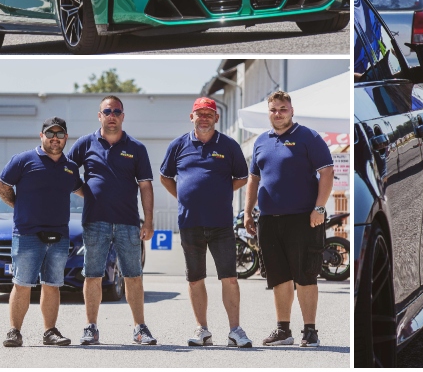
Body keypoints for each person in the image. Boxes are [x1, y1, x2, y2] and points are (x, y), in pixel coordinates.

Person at [244, 90, 335, 347]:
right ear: (269, 112)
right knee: (278, 277)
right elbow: (254, 178)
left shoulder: (309, 137)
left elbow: (326, 172)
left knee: (306, 275)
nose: (278, 114)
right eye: (273, 110)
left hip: (303, 219)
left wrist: (319, 208)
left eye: (283, 109)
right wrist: (248, 212)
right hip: (269, 220)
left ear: (292, 110)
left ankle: (310, 331)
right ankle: (283, 330)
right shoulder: (261, 141)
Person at [160, 98, 253, 347]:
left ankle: (235, 330)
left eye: (208, 114)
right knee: (195, 278)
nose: (204, 118)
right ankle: (202, 330)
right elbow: (165, 177)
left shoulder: (229, 145)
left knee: (230, 277)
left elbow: (242, 177)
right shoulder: (178, 145)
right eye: (199, 114)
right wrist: (185, 196)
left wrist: (220, 191)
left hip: (221, 223)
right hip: (190, 223)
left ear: (216, 118)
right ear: (191, 116)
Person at [68, 96, 157, 346]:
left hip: (128, 222)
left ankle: (140, 328)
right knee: (93, 275)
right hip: (95, 221)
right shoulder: (85, 144)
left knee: (133, 276)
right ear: (100, 116)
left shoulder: (136, 148)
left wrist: (147, 221)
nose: (112, 115)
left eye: (116, 111)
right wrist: (86, 191)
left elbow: (146, 186)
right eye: (107, 111)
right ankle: (91, 328)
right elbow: (66, 171)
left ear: (123, 116)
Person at [0, 118, 84, 347]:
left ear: (66, 137)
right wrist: (20, 207)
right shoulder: (23, 160)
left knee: (52, 284)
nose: (55, 138)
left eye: (60, 134)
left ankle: (50, 332)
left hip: (59, 235)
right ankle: (14, 331)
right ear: (41, 135)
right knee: (22, 283)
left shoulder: (70, 166)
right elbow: (2, 187)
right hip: (27, 234)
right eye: (50, 133)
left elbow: (82, 190)